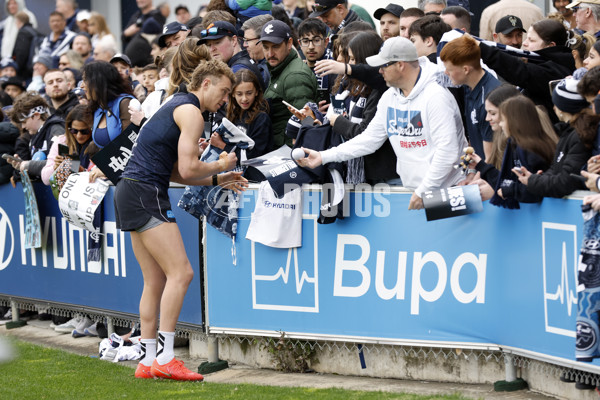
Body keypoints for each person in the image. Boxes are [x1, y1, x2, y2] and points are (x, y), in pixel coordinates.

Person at [114, 59, 246, 381]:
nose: (225, 99)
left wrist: (219, 179)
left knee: (155, 280)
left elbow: (176, 172)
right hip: (145, 192)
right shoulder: (191, 112)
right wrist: (221, 162)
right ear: (205, 84)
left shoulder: (175, 106)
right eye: (224, 91)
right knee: (182, 273)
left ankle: (146, 362)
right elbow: (187, 171)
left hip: (129, 191)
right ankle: (167, 357)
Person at [297, 37, 467, 210]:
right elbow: (369, 140)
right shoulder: (389, 97)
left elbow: (447, 152)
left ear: (400, 65)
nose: (379, 71)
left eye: (384, 65)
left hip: (448, 192)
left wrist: (424, 190)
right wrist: (323, 156)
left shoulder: (436, 97)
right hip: (416, 193)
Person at [326, 30, 399, 185]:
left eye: (352, 59)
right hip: (361, 170)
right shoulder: (351, 86)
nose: (348, 63)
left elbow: (364, 133)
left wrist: (338, 122)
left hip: (383, 175)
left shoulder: (380, 90)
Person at [479, 18, 575, 123]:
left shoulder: (556, 70)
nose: (524, 43)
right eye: (526, 38)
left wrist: (482, 49)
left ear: (550, 45)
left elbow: (520, 71)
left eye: (531, 40)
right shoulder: (546, 63)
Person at [469, 95, 557, 207]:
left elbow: (534, 191)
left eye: (503, 120)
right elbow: (507, 182)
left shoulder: (531, 149)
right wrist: (480, 165)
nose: (500, 124)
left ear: (514, 122)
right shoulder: (516, 145)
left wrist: (511, 190)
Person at [516, 78, 595, 198]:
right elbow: (556, 169)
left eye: (556, 104)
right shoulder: (568, 132)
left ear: (564, 108)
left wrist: (533, 181)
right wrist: (538, 178)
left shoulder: (579, 135)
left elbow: (566, 182)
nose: (553, 108)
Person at [440, 35, 501, 159]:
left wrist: (477, 175)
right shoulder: (468, 87)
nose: (446, 73)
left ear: (466, 69)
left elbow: (491, 158)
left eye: (449, 69)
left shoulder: (490, 99)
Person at [261, 20, 317, 147]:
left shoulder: (295, 76)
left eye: (275, 46)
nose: (270, 54)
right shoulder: (279, 67)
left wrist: (295, 157)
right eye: (265, 47)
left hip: (289, 153)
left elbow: (306, 124)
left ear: (289, 43)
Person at [212, 68, 272, 159]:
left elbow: (254, 156)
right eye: (239, 94)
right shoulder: (231, 113)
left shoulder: (261, 118)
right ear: (232, 94)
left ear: (256, 92)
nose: (244, 99)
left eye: (249, 93)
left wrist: (222, 145)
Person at [6, 93, 65, 180]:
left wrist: (28, 165)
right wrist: (21, 166)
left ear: (36, 115)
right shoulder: (35, 136)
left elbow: (62, 164)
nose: (23, 127)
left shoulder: (56, 131)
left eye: (24, 122)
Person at [81, 61, 134, 150]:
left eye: (85, 80)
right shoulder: (97, 107)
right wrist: (68, 163)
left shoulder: (125, 103)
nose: (82, 86)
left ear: (99, 82)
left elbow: (131, 143)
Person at [40, 104, 95, 185]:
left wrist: (81, 171)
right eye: (74, 131)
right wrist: (55, 167)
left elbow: (100, 178)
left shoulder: (98, 143)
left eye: (84, 131)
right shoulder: (62, 141)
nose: (79, 136)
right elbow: (45, 179)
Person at [298, 18, 334, 104]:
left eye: (316, 40)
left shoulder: (333, 69)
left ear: (326, 42)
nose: (311, 46)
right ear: (300, 44)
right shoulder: (297, 69)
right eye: (306, 41)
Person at [479, 0, 544, 41]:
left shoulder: (489, 11)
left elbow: (485, 42)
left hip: (501, 59)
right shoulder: (536, 10)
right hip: (532, 59)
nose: (515, 41)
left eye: (519, 35)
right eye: (508, 35)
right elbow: (544, 40)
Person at [241, 14, 274, 86]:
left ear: (262, 40)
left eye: (247, 40)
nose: (244, 45)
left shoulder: (268, 72)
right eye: (244, 40)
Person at [11, 10, 40, 81]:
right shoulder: (34, 31)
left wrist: (16, 68)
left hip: (25, 72)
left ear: (19, 21)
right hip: (34, 67)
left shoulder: (23, 32)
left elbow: (21, 53)